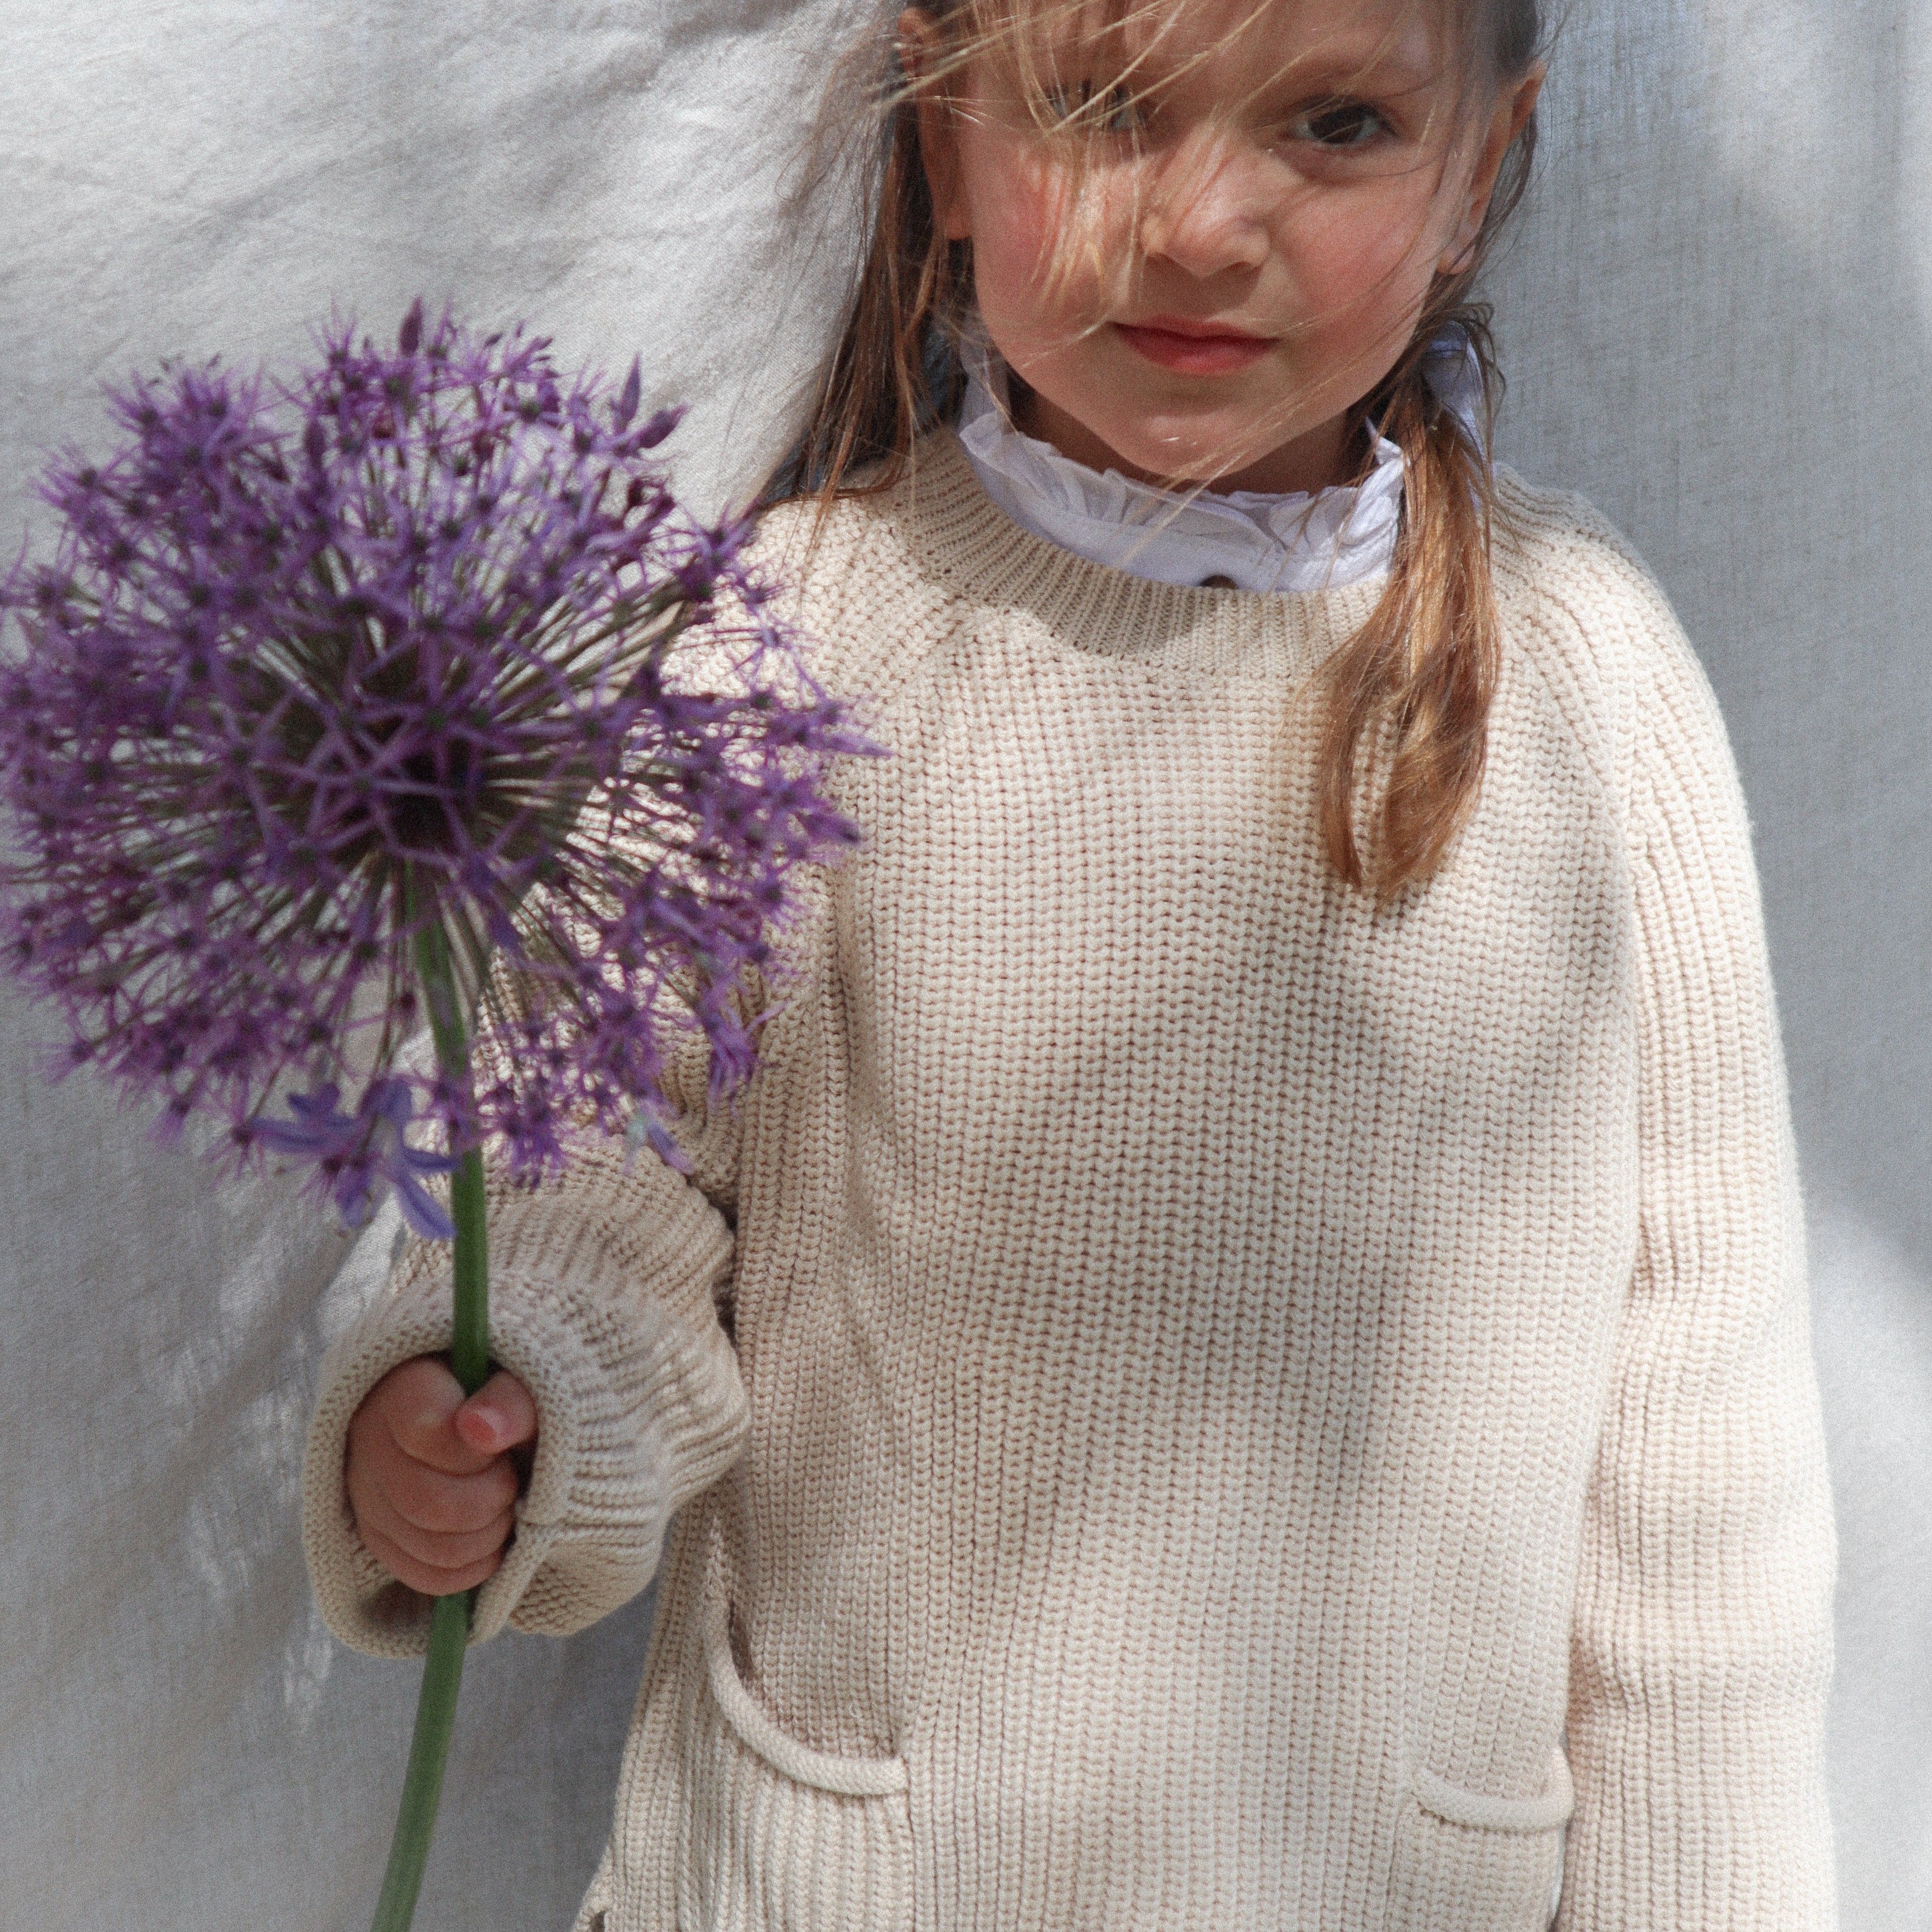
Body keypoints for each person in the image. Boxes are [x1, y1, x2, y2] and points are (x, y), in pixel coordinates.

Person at [302, 0, 1840, 1925]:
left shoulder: (1588, 677)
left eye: (1336, 122)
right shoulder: (789, 644)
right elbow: (588, 1166)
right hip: (847, 1875)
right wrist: (497, 1400)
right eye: (1104, 104)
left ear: (1477, 171)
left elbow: (1699, 1434)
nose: (1200, 221)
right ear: (946, 140)